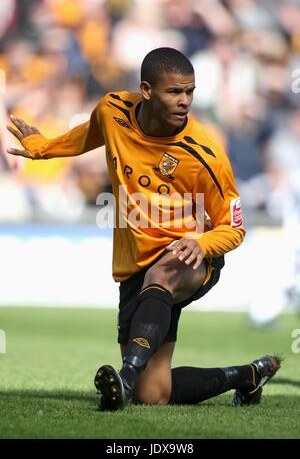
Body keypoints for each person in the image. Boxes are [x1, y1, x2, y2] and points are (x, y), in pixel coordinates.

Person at [6, 47, 281, 411]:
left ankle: (125, 376)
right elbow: (89, 135)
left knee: (161, 275)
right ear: (147, 90)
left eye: (190, 92)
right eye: (174, 92)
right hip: (135, 263)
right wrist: (44, 148)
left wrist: (202, 244)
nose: (185, 101)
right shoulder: (113, 110)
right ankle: (247, 375)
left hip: (189, 256)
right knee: (154, 395)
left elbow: (234, 227)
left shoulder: (206, 155)